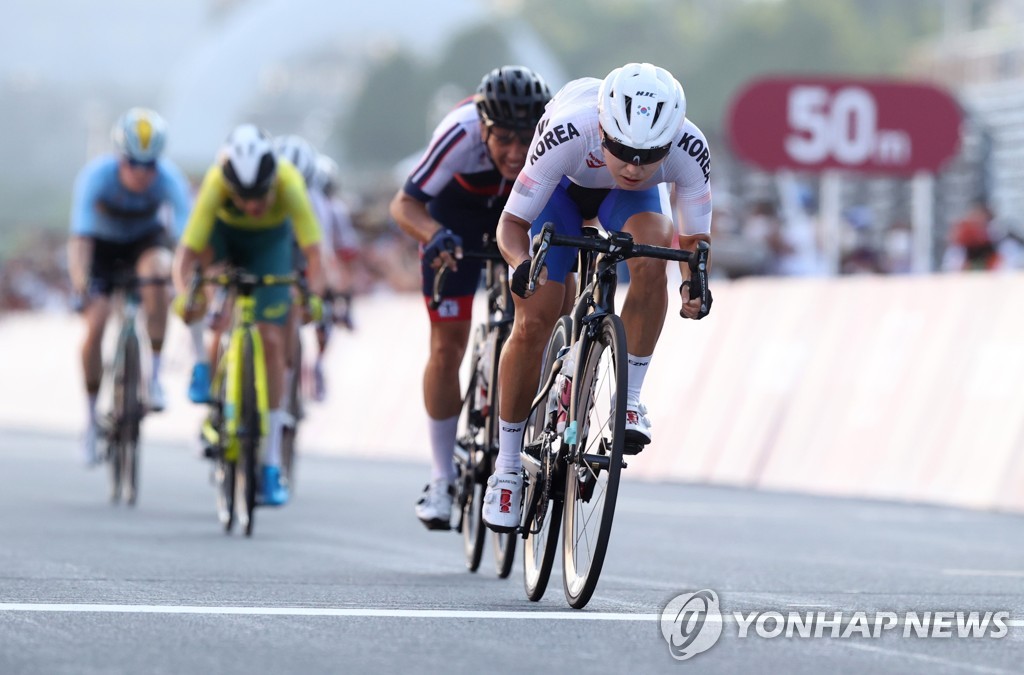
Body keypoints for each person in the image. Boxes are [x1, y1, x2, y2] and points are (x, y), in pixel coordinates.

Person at [480, 63, 714, 532]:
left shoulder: (691, 148)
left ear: (671, 141)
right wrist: (523, 266)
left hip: (630, 205)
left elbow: (694, 243)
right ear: (602, 129)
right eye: (623, 150)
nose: (633, 166)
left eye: (649, 155)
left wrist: (695, 282)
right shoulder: (570, 131)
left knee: (654, 255)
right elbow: (511, 226)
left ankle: (628, 399)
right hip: (559, 194)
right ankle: (506, 467)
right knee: (534, 320)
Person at [389, 65, 552, 530]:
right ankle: (441, 478)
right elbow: (404, 204)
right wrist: (435, 235)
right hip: (455, 220)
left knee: (547, 303)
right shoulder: (459, 133)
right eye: (503, 139)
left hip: (517, 216)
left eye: (527, 139)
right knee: (446, 349)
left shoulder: (551, 139)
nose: (517, 153)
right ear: (483, 128)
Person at [171, 124, 325, 506]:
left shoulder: (289, 183)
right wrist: (186, 296)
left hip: (268, 246)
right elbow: (186, 256)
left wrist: (315, 297)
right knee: (208, 301)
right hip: (223, 239)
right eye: (243, 197)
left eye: (261, 195)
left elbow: (317, 254)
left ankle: (270, 464)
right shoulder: (215, 186)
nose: (253, 205)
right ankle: (205, 369)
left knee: (272, 339)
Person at [67, 107, 192, 466]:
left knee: (157, 276)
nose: (141, 173)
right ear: (119, 158)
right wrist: (81, 283)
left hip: (143, 244)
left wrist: (181, 280)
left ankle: (153, 375)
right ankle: (90, 420)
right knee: (96, 323)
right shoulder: (96, 178)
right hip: (100, 248)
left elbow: (186, 241)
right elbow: (80, 242)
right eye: (133, 163)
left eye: (149, 165)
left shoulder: (170, 180)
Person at [309, 153, 360, 401]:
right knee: (325, 316)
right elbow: (347, 253)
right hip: (323, 270)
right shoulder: (335, 207)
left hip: (305, 267)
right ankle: (318, 361)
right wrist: (346, 300)